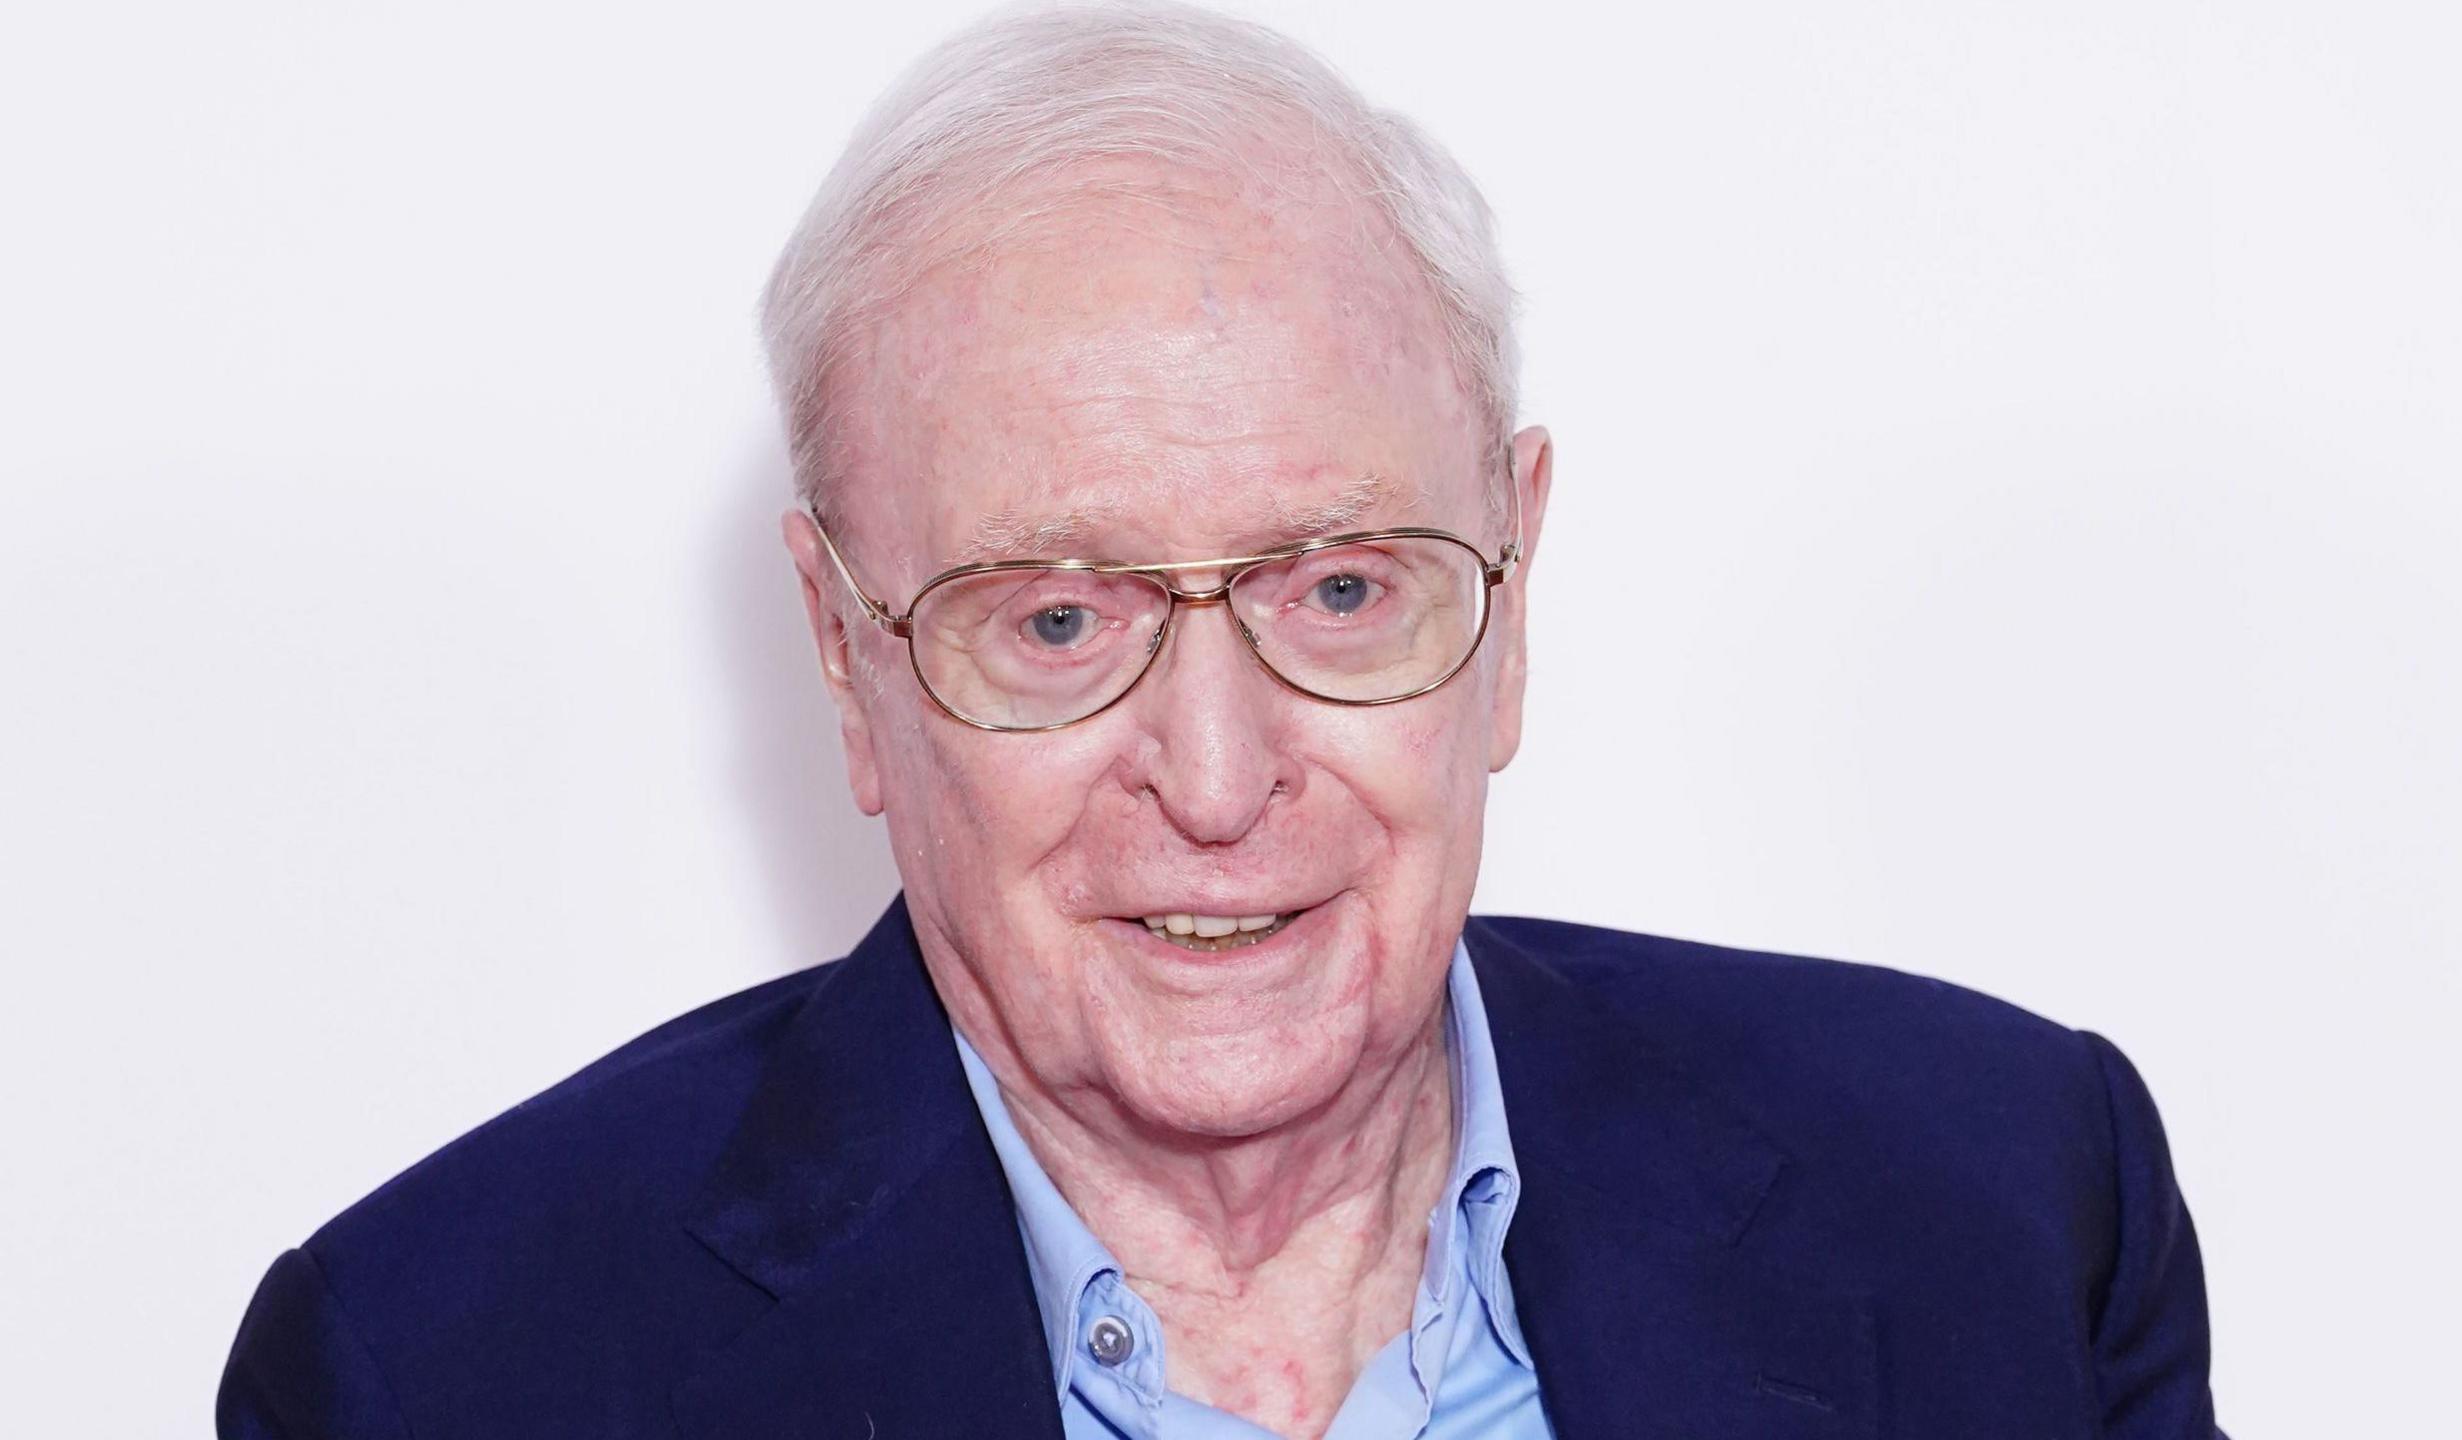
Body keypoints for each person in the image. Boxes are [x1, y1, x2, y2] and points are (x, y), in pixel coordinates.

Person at [216, 4, 2225, 1436]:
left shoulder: (2002, 1202)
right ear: (844, 657)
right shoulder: (446, 1369)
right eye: (1058, 617)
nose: (1214, 776)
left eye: (1338, 589)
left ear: (1508, 597)